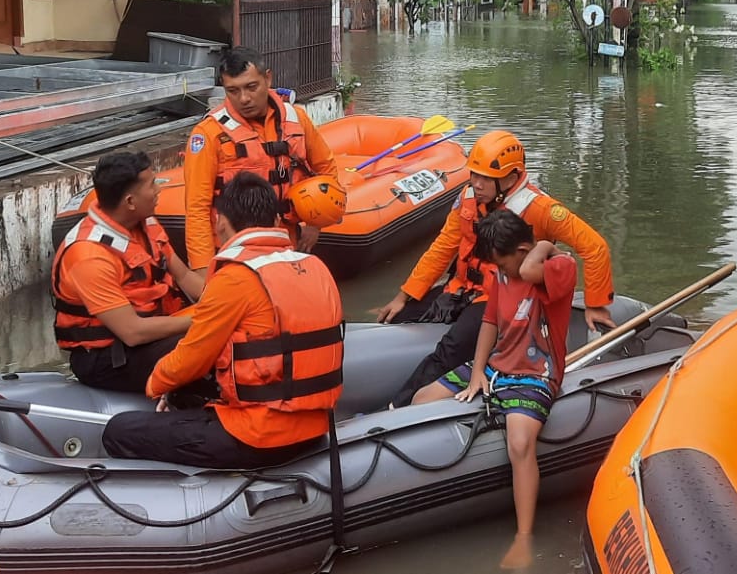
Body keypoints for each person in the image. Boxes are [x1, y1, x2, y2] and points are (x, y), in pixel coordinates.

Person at [102, 173, 346, 469]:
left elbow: (190, 358)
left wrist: (156, 384)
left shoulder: (235, 277)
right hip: (316, 426)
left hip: (258, 436)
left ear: (219, 221)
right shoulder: (316, 267)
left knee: (119, 431)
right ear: (275, 220)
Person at [374, 130, 616, 408]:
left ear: (512, 176)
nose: (477, 184)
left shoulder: (541, 209)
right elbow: (442, 247)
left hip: (499, 297)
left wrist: (596, 303)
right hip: (461, 288)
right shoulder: (467, 199)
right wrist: (405, 295)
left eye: (485, 177)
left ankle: (397, 408)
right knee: (398, 317)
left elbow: (594, 247)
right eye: (474, 175)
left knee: (452, 347)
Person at [411, 209, 576, 570]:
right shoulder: (502, 273)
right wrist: (476, 375)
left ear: (523, 249)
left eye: (504, 262)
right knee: (420, 399)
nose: (502, 271)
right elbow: (489, 322)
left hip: (536, 372)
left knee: (519, 443)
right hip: (497, 365)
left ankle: (523, 537)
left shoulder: (559, 267)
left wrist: (545, 242)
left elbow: (531, 270)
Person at [52, 151, 205, 394]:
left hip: (151, 335)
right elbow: (132, 332)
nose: (158, 190)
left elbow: (184, 276)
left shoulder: (146, 224)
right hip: (109, 358)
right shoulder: (89, 255)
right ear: (130, 202)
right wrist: (207, 321)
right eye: (152, 185)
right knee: (209, 347)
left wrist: (222, 302)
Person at [182, 46, 340, 272]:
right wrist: (203, 268)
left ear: (268, 78)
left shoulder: (296, 120)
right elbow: (197, 207)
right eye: (233, 91)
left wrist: (316, 224)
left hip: (287, 245)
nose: (244, 99)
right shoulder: (209, 134)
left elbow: (327, 169)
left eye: (251, 87)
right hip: (234, 254)